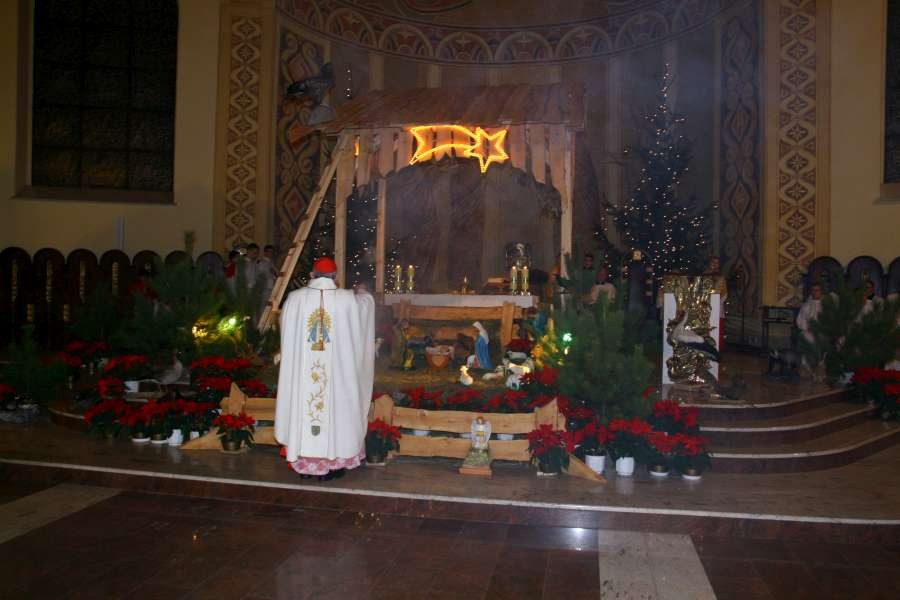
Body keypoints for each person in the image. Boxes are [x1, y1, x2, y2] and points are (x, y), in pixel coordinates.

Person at [275, 257, 375, 481]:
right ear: (335, 276)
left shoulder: (295, 298)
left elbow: (286, 330)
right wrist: (363, 293)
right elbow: (364, 309)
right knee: (337, 409)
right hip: (337, 374)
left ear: (312, 274)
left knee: (304, 407)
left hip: (304, 372)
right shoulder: (347, 299)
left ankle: (305, 465)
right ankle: (332, 465)